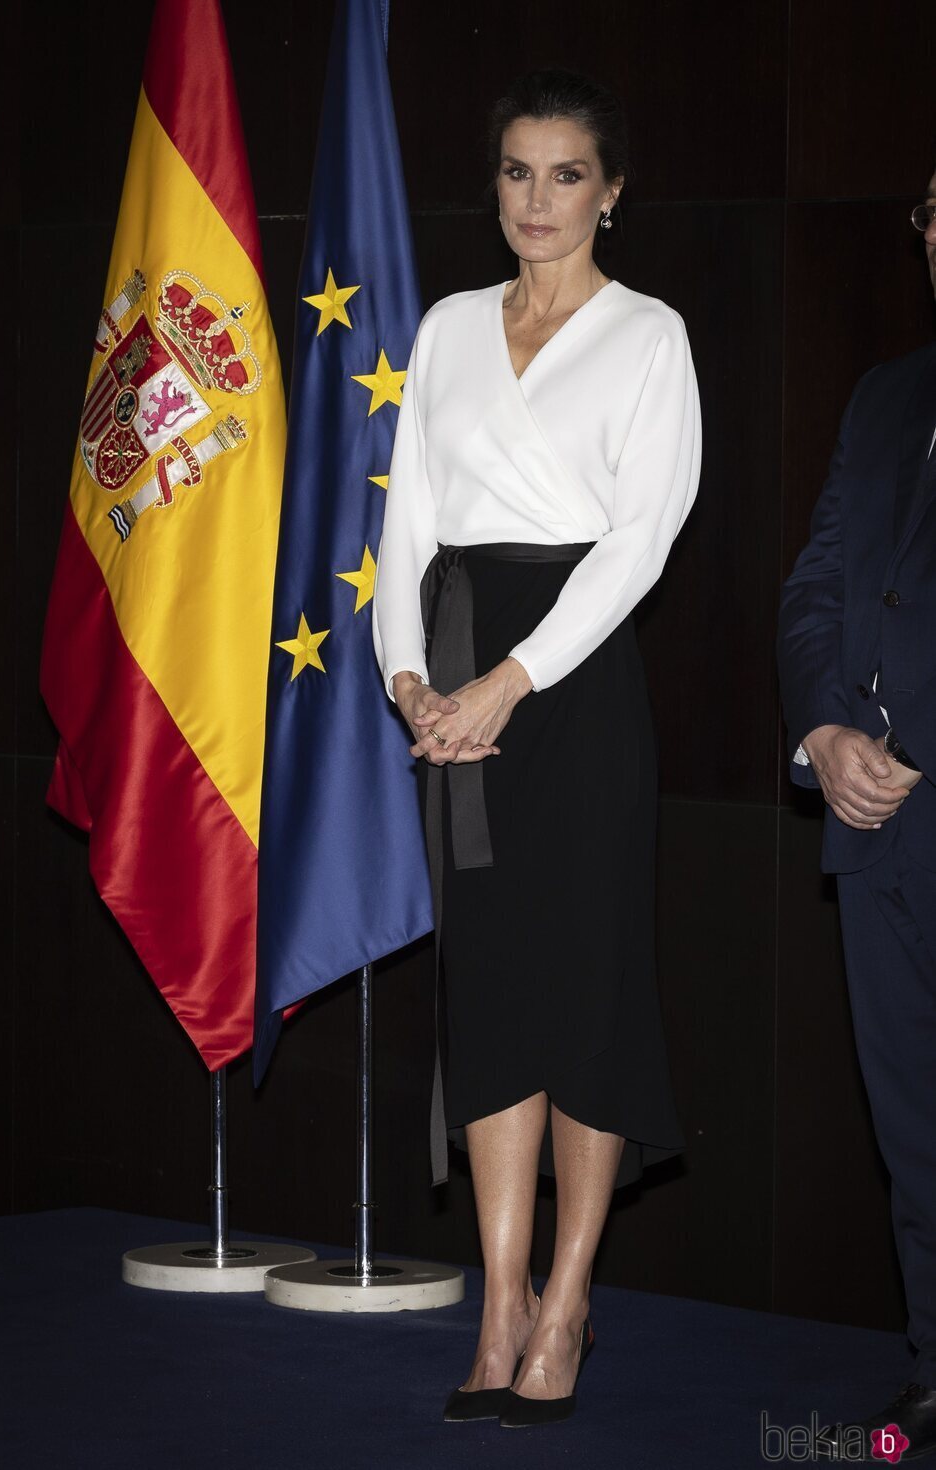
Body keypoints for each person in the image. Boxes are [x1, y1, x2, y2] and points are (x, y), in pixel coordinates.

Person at [372, 69, 700, 1428]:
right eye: (518, 172)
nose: (540, 200)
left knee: (591, 986)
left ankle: (568, 1298)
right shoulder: (448, 327)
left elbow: (640, 542)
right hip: (454, 671)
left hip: (572, 682)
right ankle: (497, 1299)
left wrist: (509, 680)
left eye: (568, 175)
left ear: (611, 191)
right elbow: (408, 528)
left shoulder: (649, 335)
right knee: (493, 986)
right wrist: (410, 679)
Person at [777, 167, 936, 1459]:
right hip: (875, 827)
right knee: (914, 1121)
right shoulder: (886, 398)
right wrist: (825, 734)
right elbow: (817, 585)